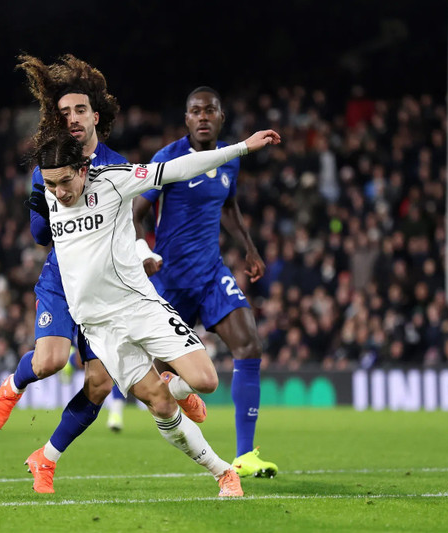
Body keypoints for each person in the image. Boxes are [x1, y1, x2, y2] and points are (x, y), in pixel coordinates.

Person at [28, 120, 280, 496]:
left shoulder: (114, 180)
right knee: (160, 406)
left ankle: (172, 383)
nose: (59, 193)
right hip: (100, 327)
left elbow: (178, 168)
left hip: (140, 305)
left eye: (65, 182)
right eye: (50, 184)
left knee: (206, 381)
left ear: (83, 169)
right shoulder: (50, 193)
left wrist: (241, 147)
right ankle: (222, 472)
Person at [0, 56, 200, 492]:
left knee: (99, 384)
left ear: (95, 115)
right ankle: (13, 384)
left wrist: (141, 251)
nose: (73, 119)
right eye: (64, 113)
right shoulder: (48, 164)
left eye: (80, 110)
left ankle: (45, 458)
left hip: (105, 291)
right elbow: (40, 235)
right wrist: (43, 202)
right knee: (50, 362)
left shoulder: (116, 164)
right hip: (64, 281)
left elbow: (127, 229)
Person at [132, 87, 278, 478]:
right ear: (186, 119)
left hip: (211, 273)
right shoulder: (168, 159)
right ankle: (181, 400)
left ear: (220, 117)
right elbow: (136, 211)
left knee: (249, 344)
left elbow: (228, 205)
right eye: (195, 111)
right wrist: (143, 253)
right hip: (170, 279)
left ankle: (245, 455)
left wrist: (248, 248)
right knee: (163, 380)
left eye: (209, 110)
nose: (202, 117)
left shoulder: (229, 161)